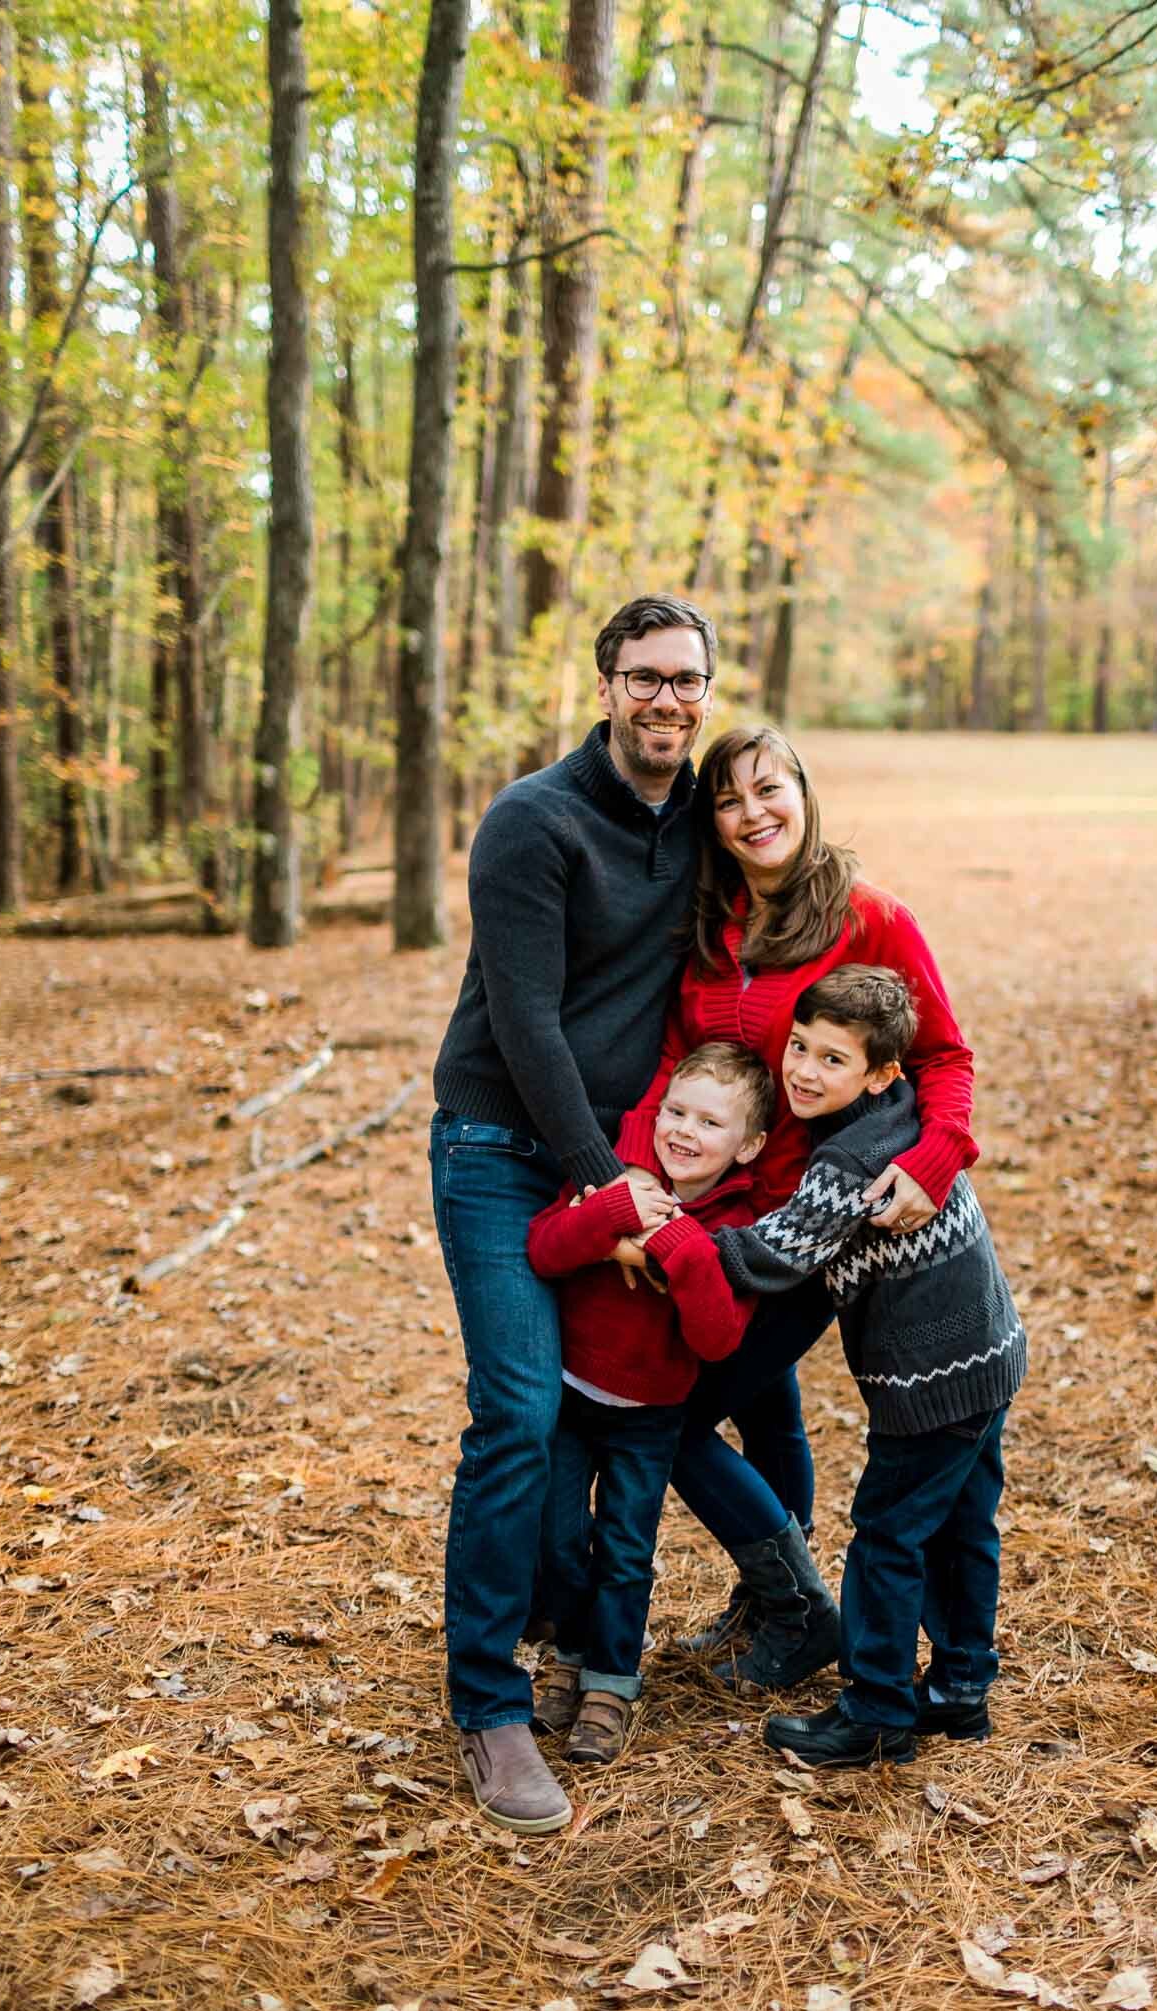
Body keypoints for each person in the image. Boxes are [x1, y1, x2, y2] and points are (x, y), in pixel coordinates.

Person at [429, 593, 717, 1834]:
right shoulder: (530, 822)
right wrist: (610, 1186)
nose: (667, 699)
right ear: (605, 685)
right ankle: (488, 1705)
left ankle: (766, 1596)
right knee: (519, 1410)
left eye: (687, 679)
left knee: (636, 1400)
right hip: (501, 1147)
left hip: (628, 1157)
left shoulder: (705, 813)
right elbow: (529, 1022)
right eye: (645, 677)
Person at [613, 726, 980, 1692]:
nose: (753, 814)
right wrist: (634, 1180)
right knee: (766, 1406)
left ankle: (796, 1605)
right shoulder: (706, 927)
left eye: (768, 790)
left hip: (808, 1227)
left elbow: (943, 1056)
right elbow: (671, 1062)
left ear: (803, 791)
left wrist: (936, 1157)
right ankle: (766, 1592)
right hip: (716, 1208)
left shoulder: (870, 919)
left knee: (673, 1418)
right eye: (729, 801)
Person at [661, 966, 1028, 1765]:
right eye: (799, 1047)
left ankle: (874, 1710)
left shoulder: (846, 1162)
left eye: (832, 1060)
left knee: (888, 1539)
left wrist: (666, 1238)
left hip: (927, 1383)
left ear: (881, 1072)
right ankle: (962, 1690)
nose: (801, 1070)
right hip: (989, 1354)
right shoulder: (903, 1115)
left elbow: (772, 1253)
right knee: (964, 1525)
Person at [526, 1044, 772, 1767]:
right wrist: (610, 1218)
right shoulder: (611, 1181)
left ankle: (610, 1683)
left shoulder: (738, 1226)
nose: (684, 1131)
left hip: (650, 1414)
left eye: (709, 1122)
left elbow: (718, 1338)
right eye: (675, 1111)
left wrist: (681, 1247)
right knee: (562, 1536)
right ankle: (566, 1657)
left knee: (627, 1550)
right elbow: (544, 1250)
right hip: (570, 1397)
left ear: (749, 1145)